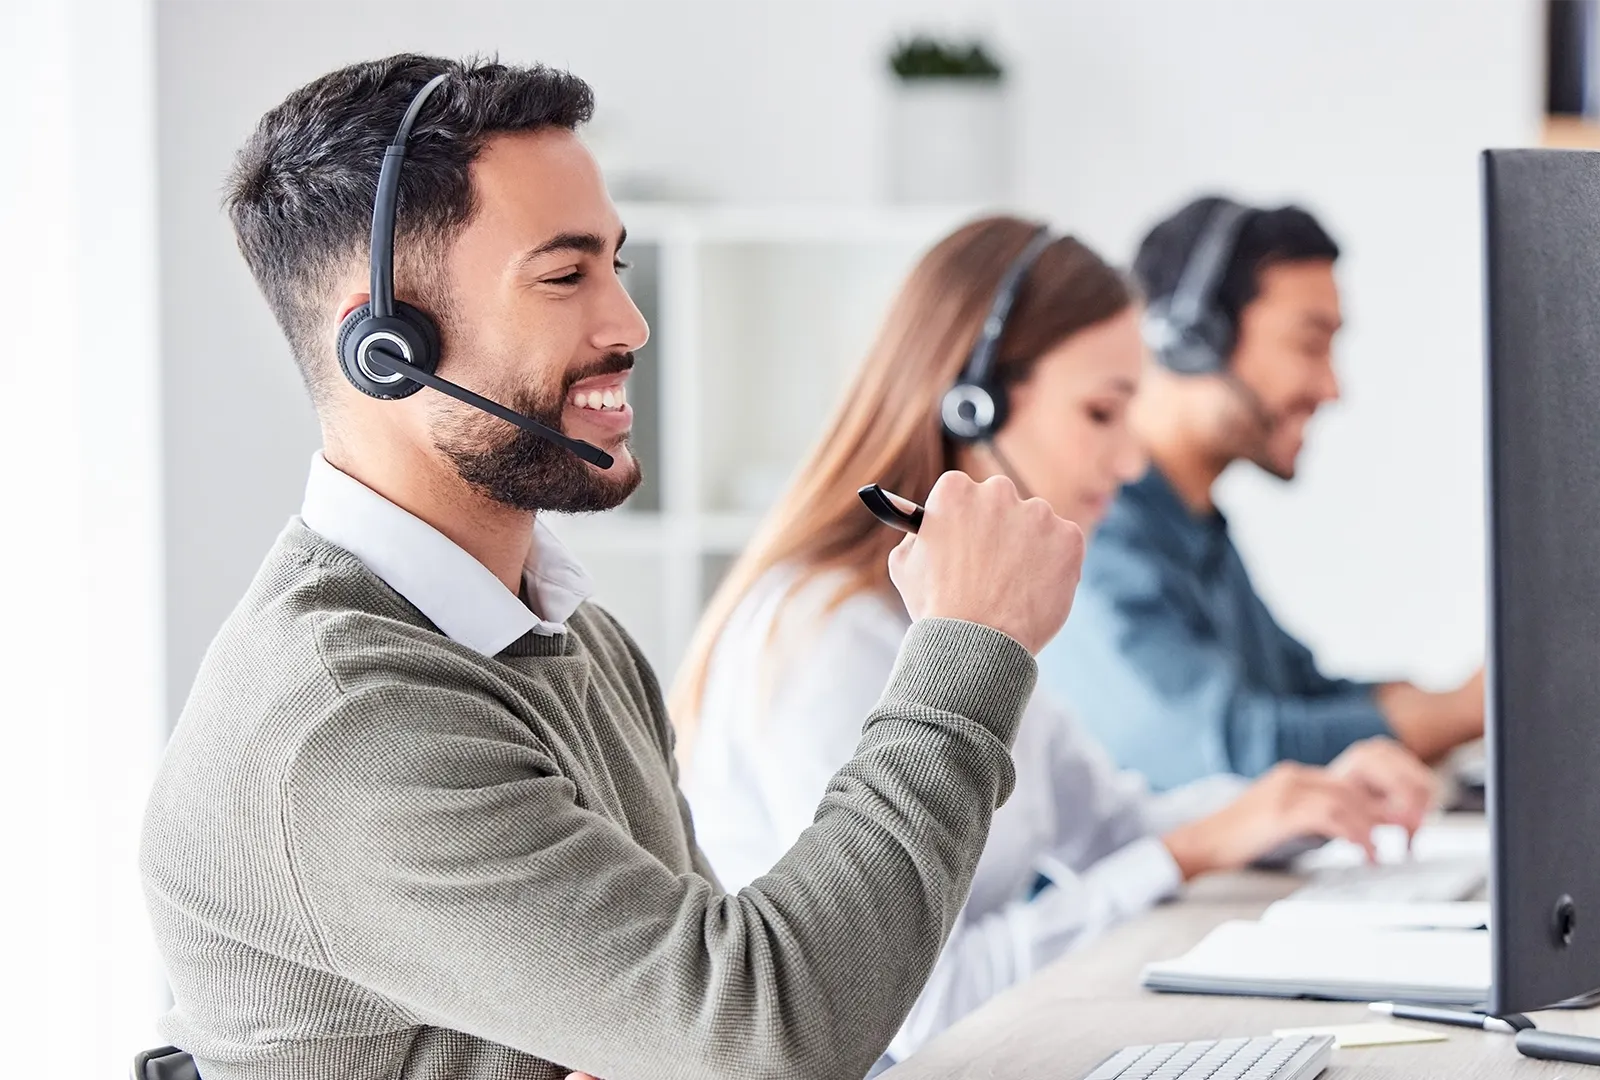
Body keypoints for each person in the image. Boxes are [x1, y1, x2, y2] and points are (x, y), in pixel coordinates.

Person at [138, 55, 1088, 1080]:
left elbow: (715, 1025)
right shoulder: (349, 719)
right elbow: (775, 1029)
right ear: (383, 343)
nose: (630, 326)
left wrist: (713, 1031)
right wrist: (968, 648)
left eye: (616, 267)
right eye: (563, 275)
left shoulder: (567, 635)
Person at [670, 216, 1437, 1068]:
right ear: (974, 402)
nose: (1131, 462)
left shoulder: (978, 611)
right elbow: (917, 1011)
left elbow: (1110, 825)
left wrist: (1298, 803)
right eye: (1102, 412)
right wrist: (1184, 853)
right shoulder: (828, 636)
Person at [1043, 196, 1485, 792]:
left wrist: (1451, 698)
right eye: (1309, 344)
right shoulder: (1098, 535)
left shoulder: (1194, 529)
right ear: (1194, 335)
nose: (1331, 388)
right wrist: (1464, 711)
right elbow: (1232, 750)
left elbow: (1299, 690)